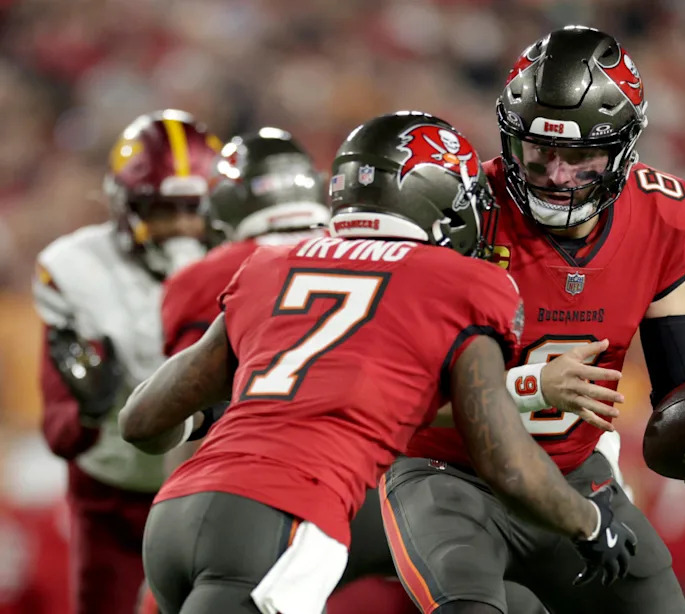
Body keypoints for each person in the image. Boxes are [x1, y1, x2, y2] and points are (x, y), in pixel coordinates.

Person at [118, 111, 637, 614]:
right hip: (283, 520)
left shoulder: (273, 265)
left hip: (175, 518)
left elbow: (141, 420)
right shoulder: (460, 283)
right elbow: (507, 466)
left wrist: (214, 414)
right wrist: (591, 523)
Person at [384, 26, 685, 614]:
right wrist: (533, 388)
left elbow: (678, 377)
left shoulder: (665, 214)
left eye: (580, 155)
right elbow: (395, 395)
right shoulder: (462, 211)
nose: (557, 174)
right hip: (450, 475)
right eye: (539, 152)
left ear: (623, 148)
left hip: (572, 477)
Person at [158, 126, 416, 614]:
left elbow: (187, 411)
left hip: (272, 496)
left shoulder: (209, 274)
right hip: (398, 485)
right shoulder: (384, 250)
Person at [33, 109, 220, 614]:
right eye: (163, 209)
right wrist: (88, 408)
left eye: (193, 208)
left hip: (212, 483)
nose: (182, 227)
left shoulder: (244, 259)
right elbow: (58, 433)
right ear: (126, 205)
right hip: (114, 491)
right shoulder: (76, 268)